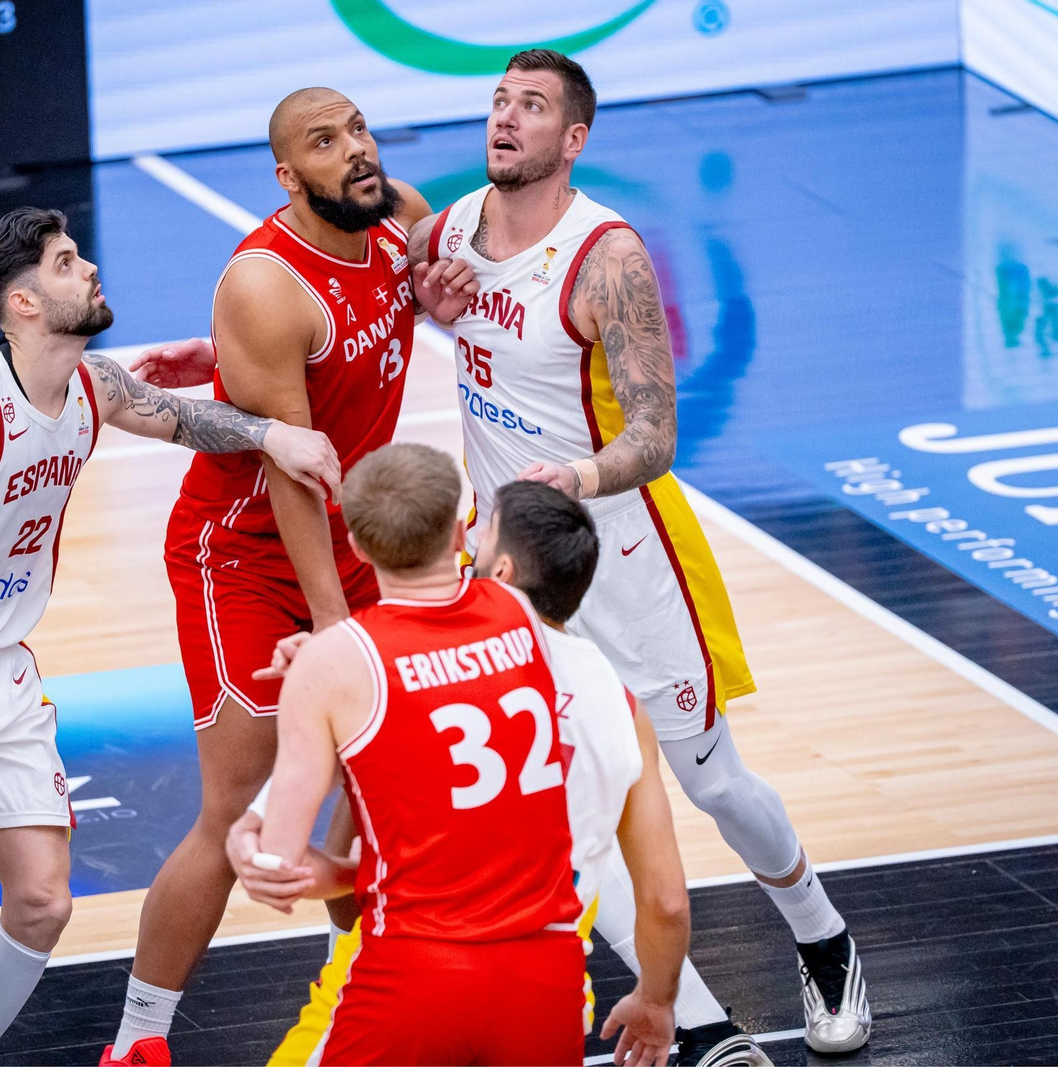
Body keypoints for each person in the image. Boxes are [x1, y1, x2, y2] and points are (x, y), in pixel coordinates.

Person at [409, 49, 871, 1053]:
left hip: (626, 557)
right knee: (572, 803)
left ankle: (823, 938)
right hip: (514, 574)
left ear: (572, 139)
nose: (505, 118)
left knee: (714, 785)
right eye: (497, 101)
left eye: (530, 107)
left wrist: (570, 479)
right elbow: (399, 264)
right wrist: (420, 300)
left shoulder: (606, 257)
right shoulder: (446, 233)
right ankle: (703, 1026)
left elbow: (657, 436)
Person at [0, 206, 341, 1067]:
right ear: (23, 304)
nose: (90, 267)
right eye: (67, 263)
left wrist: (272, 433)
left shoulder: (91, 385)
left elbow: (182, 419)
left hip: (9, 671)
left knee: (42, 907)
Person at [103, 89, 468, 1067]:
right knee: (239, 800)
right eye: (324, 141)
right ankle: (137, 1039)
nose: (353, 151)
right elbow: (287, 470)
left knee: (379, 778)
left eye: (357, 129)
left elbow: (451, 273)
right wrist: (334, 627)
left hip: (354, 538)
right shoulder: (268, 284)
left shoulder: (394, 215)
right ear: (285, 175)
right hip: (246, 553)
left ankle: (373, 985)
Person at [232, 479, 771, 1067]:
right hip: (545, 985)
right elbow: (666, 900)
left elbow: (400, 852)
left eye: (483, 535)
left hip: (410, 971)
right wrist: (659, 1001)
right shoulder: (618, 701)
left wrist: (320, 681)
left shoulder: (416, 671)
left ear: (504, 571)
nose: (470, 549)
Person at [243, 443, 592, 1065]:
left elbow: (278, 864)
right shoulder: (518, 611)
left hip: (416, 969)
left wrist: (243, 833)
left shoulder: (337, 662)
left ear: (354, 547)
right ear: (461, 534)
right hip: (547, 971)